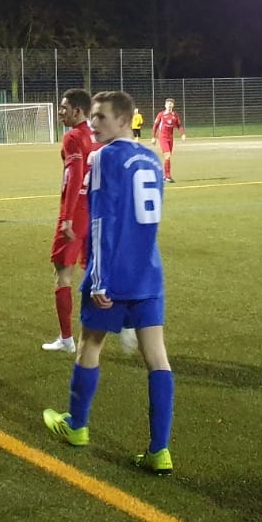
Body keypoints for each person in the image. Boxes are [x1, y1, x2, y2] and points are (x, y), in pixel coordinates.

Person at [42, 90, 175, 476]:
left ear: (123, 121)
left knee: (89, 345)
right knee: (158, 359)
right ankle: (159, 451)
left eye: (101, 117)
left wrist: (100, 280)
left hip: (113, 276)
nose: (93, 123)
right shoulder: (151, 158)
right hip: (149, 273)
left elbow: (101, 221)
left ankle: (77, 426)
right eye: (93, 116)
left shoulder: (102, 157)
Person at [42, 89, 96, 353]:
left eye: (64, 108)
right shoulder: (96, 135)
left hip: (76, 213)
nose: (60, 112)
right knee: (94, 274)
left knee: (62, 274)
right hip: (94, 211)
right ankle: (125, 323)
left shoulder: (73, 137)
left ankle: (66, 339)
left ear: (78, 111)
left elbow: (74, 176)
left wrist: (67, 219)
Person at [151, 98, 185, 183]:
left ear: (173, 105)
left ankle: (165, 176)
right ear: (165, 105)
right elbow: (155, 126)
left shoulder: (175, 115)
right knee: (167, 155)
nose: (169, 105)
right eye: (168, 104)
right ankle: (167, 176)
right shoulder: (161, 115)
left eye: (171, 104)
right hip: (163, 137)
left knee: (168, 157)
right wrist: (153, 137)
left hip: (170, 138)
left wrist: (183, 134)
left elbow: (179, 125)